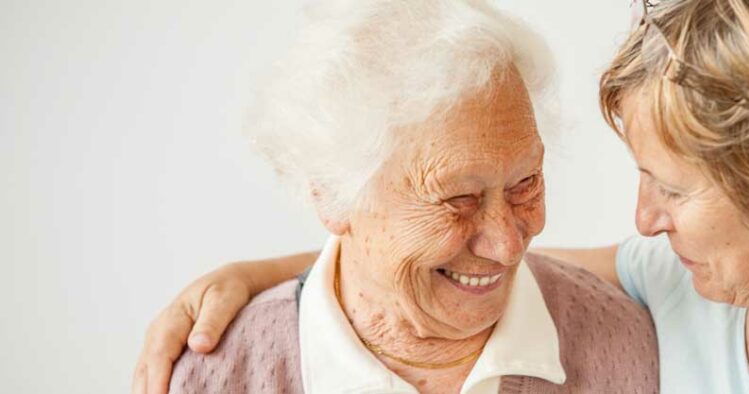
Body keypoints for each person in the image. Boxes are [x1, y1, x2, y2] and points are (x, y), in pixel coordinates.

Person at [138, 0, 749, 392]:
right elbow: (484, 266)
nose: (641, 218)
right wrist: (259, 272)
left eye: (670, 187)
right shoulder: (681, 284)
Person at [143, 1, 659, 393]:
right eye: (458, 198)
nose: (506, 245)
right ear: (333, 195)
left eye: (526, 184)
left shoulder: (629, 348)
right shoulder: (218, 372)